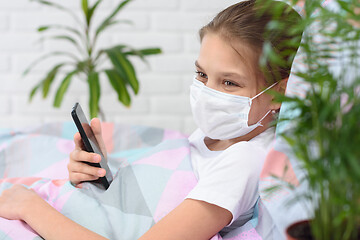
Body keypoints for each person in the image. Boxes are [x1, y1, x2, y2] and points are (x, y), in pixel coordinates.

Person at [0, 0, 303, 239]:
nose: (207, 93)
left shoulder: (245, 160)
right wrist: (105, 175)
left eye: (229, 83)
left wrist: (29, 207)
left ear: (279, 92)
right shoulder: (228, 135)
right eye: (202, 74)